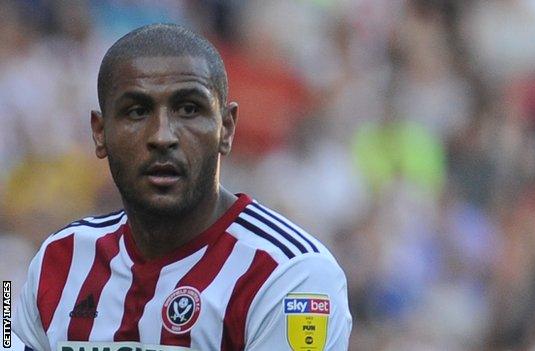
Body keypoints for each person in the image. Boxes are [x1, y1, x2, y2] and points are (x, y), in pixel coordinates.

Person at [13, 24, 351, 351]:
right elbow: (6, 329)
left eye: (189, 109)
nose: (162, 136)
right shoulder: (57, 259)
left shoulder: (291, 276)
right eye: (137, 111)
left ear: (226, 128)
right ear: (100, 133)